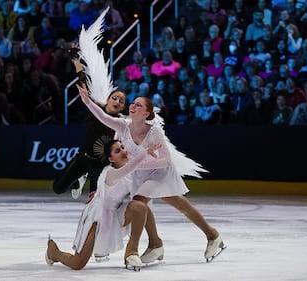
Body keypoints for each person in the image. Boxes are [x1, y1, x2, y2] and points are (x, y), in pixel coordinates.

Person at [77, 85, 225, 263]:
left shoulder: (153, 132)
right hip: (139, 175)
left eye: (138, 105)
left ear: (146, 113)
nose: (132, 105)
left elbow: (166, 160)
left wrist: (138, 161)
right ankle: (211, 235)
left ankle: (153, 244)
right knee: (179, 204)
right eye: (132, 103)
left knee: (139, 203)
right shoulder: (123, 126)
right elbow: (103, 117)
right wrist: (87, 102)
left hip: (159, 174)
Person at [46, 140, 163, 270]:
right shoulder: (111, 172)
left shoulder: (130, 172)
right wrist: (145, 153)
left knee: (140, 207)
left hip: (116, 213)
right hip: (99, 215)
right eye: (117, 151)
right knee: (77, 264)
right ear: (111, 159)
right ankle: (53, 252)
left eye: (123, 147)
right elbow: (130, 168)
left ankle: (132, 252)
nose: (123, 151)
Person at [52, 53, 127, 199]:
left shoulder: (121, 122)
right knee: (58, 188)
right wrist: (75, 60)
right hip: (83, 158)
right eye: (115, 97)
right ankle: (79, 180)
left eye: (121, 101)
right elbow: (83, 81)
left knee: (96, 198)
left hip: (101, 166)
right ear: (108, 99)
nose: (117, 101)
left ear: (122, 108)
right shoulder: (96, 108)